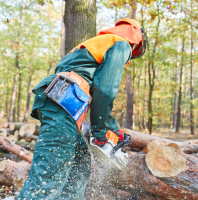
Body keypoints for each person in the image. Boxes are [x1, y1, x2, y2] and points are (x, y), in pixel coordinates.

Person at [17, 18, 146, 200]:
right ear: (136, 39)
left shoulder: (99, 45)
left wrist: (112, 128)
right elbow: (105, 89)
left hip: (62, 103)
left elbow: (96, 89)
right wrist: (99, 131)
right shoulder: (122, 43)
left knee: (80, 163)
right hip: (64, 105)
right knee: (48, 176)